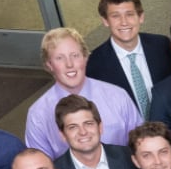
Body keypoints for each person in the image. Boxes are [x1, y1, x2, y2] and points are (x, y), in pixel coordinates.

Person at [23, 28, 143, 158]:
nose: (69, 64)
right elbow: (40, 166)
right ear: (49, 64)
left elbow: (141, 145)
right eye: (59, 58)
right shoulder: (38, 114)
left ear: (85, 57)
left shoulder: (118, 96)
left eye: (75, 55)